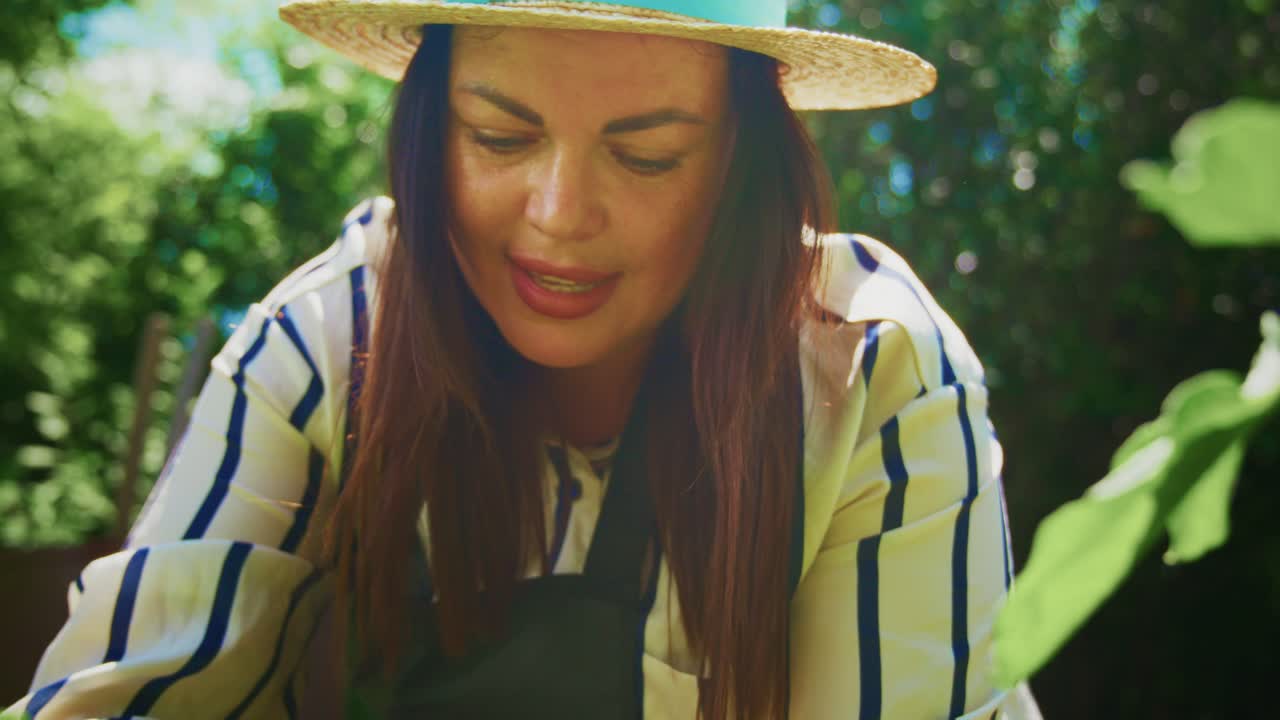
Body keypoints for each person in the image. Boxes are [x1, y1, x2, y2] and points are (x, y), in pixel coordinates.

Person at [6, 1, 1043, 718]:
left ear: (740, 165)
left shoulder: (872, 375)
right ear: (426, 133)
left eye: (645, 155)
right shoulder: (326, 342)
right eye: (499, 136)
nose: (557, 217)